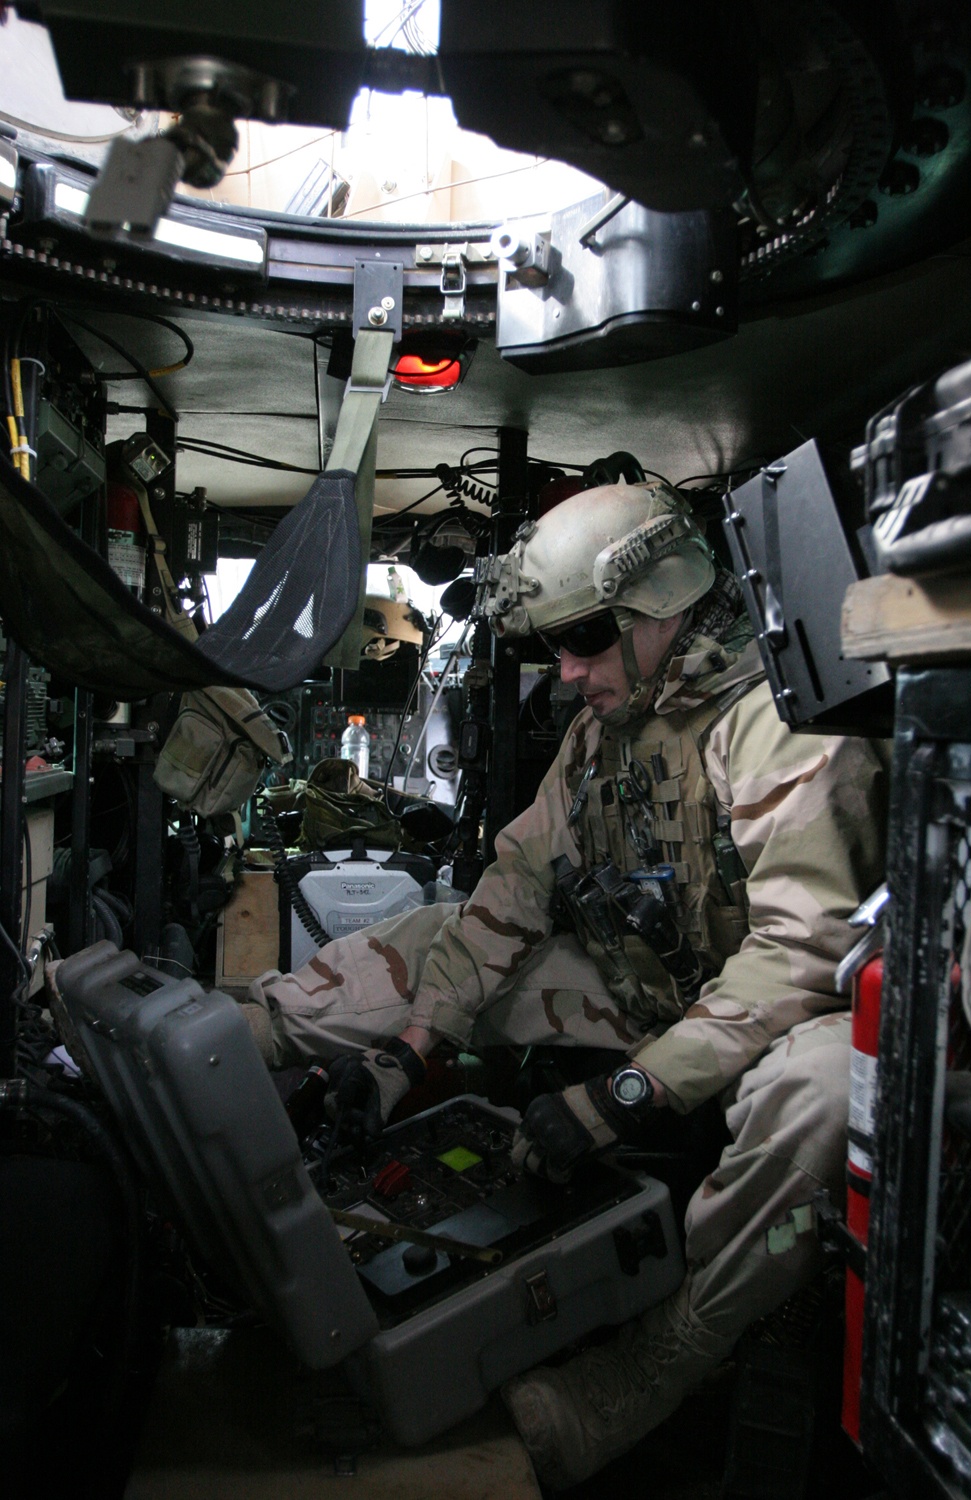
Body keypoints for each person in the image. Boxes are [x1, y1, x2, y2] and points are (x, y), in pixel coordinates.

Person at [244, 475, 885, 1489]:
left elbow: (800, 953)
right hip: (646, 993)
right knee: (439, 927)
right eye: (556, 647)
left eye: (586, 640)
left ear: (659, 609)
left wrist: (618, 1097)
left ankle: (659, 1362)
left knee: (820, 1094)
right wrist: (405, 1053)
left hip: (768, 1018)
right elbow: (513, 892)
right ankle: (234, 1042)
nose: (569, 673)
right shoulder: (606, 728)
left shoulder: (772, 723)